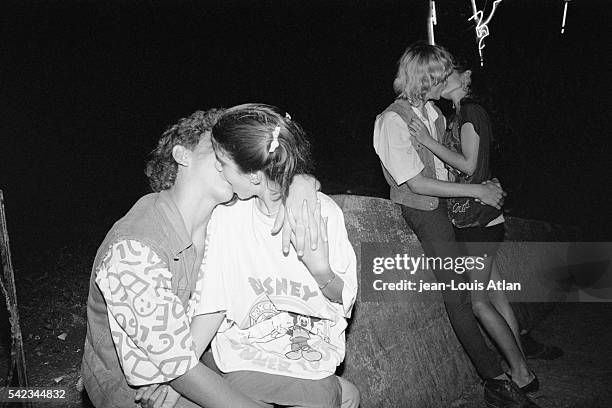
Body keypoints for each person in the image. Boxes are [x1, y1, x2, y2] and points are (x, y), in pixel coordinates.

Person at [82, 109, 321, 408]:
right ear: (183, 155)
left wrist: (299, 184)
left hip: (199, 362)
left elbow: (279, 166)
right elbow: (177, 368)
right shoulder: (135, 247)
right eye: (219, 151)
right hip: (139, 393)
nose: (235, 160)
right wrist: (181, 379)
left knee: (339, 393)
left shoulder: (228, 214)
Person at [372, 42, 539, 408]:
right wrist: (477, 188)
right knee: (462, 297)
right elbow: (414, 183)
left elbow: (454, 164)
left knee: (485, 289)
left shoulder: (432, 112)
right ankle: (495, 380)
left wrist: (480, 187)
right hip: (426, 212)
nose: (447, 78)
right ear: (425, 78)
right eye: (440, 75)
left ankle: (519, 364)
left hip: (448, 210)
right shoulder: (390, 121)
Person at [181, 103, 359, 408]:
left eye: (222, 162)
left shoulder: (322, 213)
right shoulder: (227, 217)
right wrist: (178, 372)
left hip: (311, 365)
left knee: (325, 398)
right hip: (245, 359)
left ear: (252, 175)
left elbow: (345, 298)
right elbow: (213, 302)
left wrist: (320, 271)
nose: (218, 169)